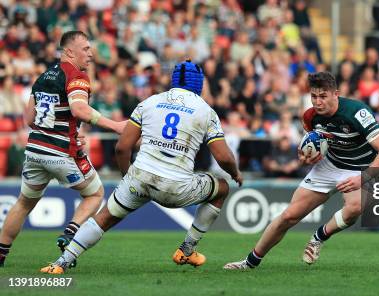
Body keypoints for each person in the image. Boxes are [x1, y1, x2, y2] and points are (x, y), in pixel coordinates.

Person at [40, 60, 243, 274]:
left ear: (173, 80)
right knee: (222, 188)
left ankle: (60, 263)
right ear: (199, 84)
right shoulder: (205, 111)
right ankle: (187, 248)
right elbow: (223, 157)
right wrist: (235, 173)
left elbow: (122, 147)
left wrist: (127, 176)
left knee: (104, 217)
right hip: (176, 187)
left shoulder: (150, 102)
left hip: (140, 176)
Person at [224, 72, 379, 270]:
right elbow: (311, 149)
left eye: (323, 96)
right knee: (289, 216)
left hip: (360, 168)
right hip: (329, 165)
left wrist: (363, 177)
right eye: (314, 96)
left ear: (336, 94)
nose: (318, 102)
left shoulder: (357, 112)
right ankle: (249, 262)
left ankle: (318, 237)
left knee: (355, 208)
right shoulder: (310, 117)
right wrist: (306, 157)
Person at [0, 31, 126, 268]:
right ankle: (70, 233)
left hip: (36, 150)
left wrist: (69, 130)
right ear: (69, 51)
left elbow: (30, 119)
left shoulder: (43, 77)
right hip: (61, 153)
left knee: (24, 203)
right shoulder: (76, 76)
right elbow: (80, 110)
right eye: (85, 48)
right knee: (95, 194)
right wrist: (116, 125)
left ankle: (1, 253)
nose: (90, 53)